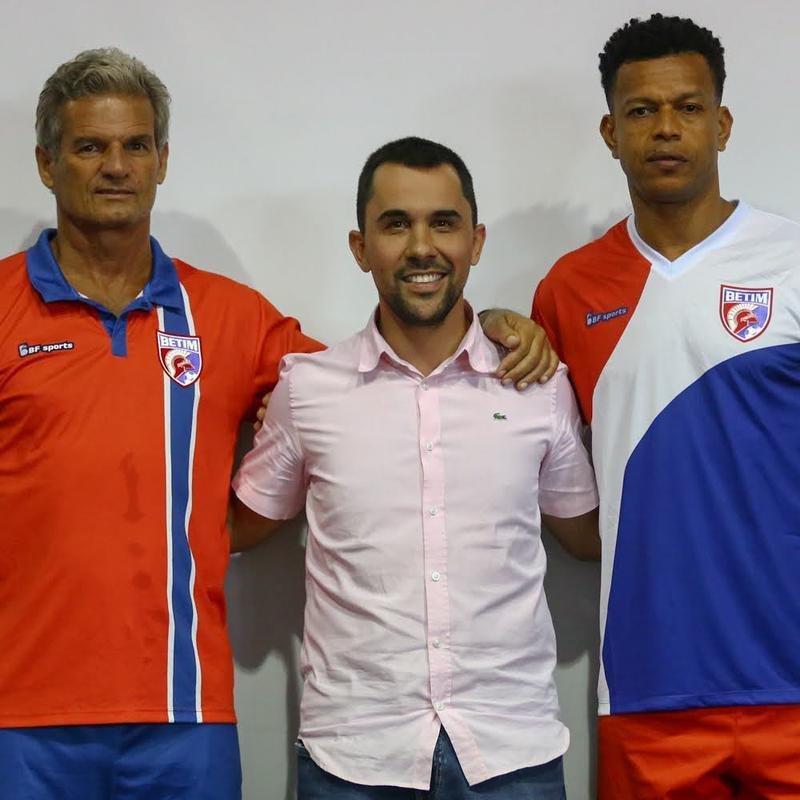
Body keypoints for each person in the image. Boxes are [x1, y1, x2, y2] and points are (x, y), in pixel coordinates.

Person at [0, 49, 555, 800]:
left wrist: (485, 324)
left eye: (135, 145)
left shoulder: (228, 316)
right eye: (89, 146)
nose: (115, 166)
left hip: (185, 710)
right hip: (19, 713)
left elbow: (386, 374)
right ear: (45, 162)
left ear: (163, 160)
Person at [232, 136, 600, 800]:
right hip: (355, 755)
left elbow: (585, 537)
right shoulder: (309, 390)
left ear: (476, 240)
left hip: (512, 750)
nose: (422, 245)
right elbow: (243, 526)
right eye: (396, 224)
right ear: (360, 246)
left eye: (444, 222)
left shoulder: (541, 387)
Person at [532, 13, 800, 798]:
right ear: (611, 131)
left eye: (687, 106)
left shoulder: (792, 260)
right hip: (649, 685)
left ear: (721, 123)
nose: (666, 128)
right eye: (643, 111)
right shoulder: (569, 288)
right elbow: (549, 470)